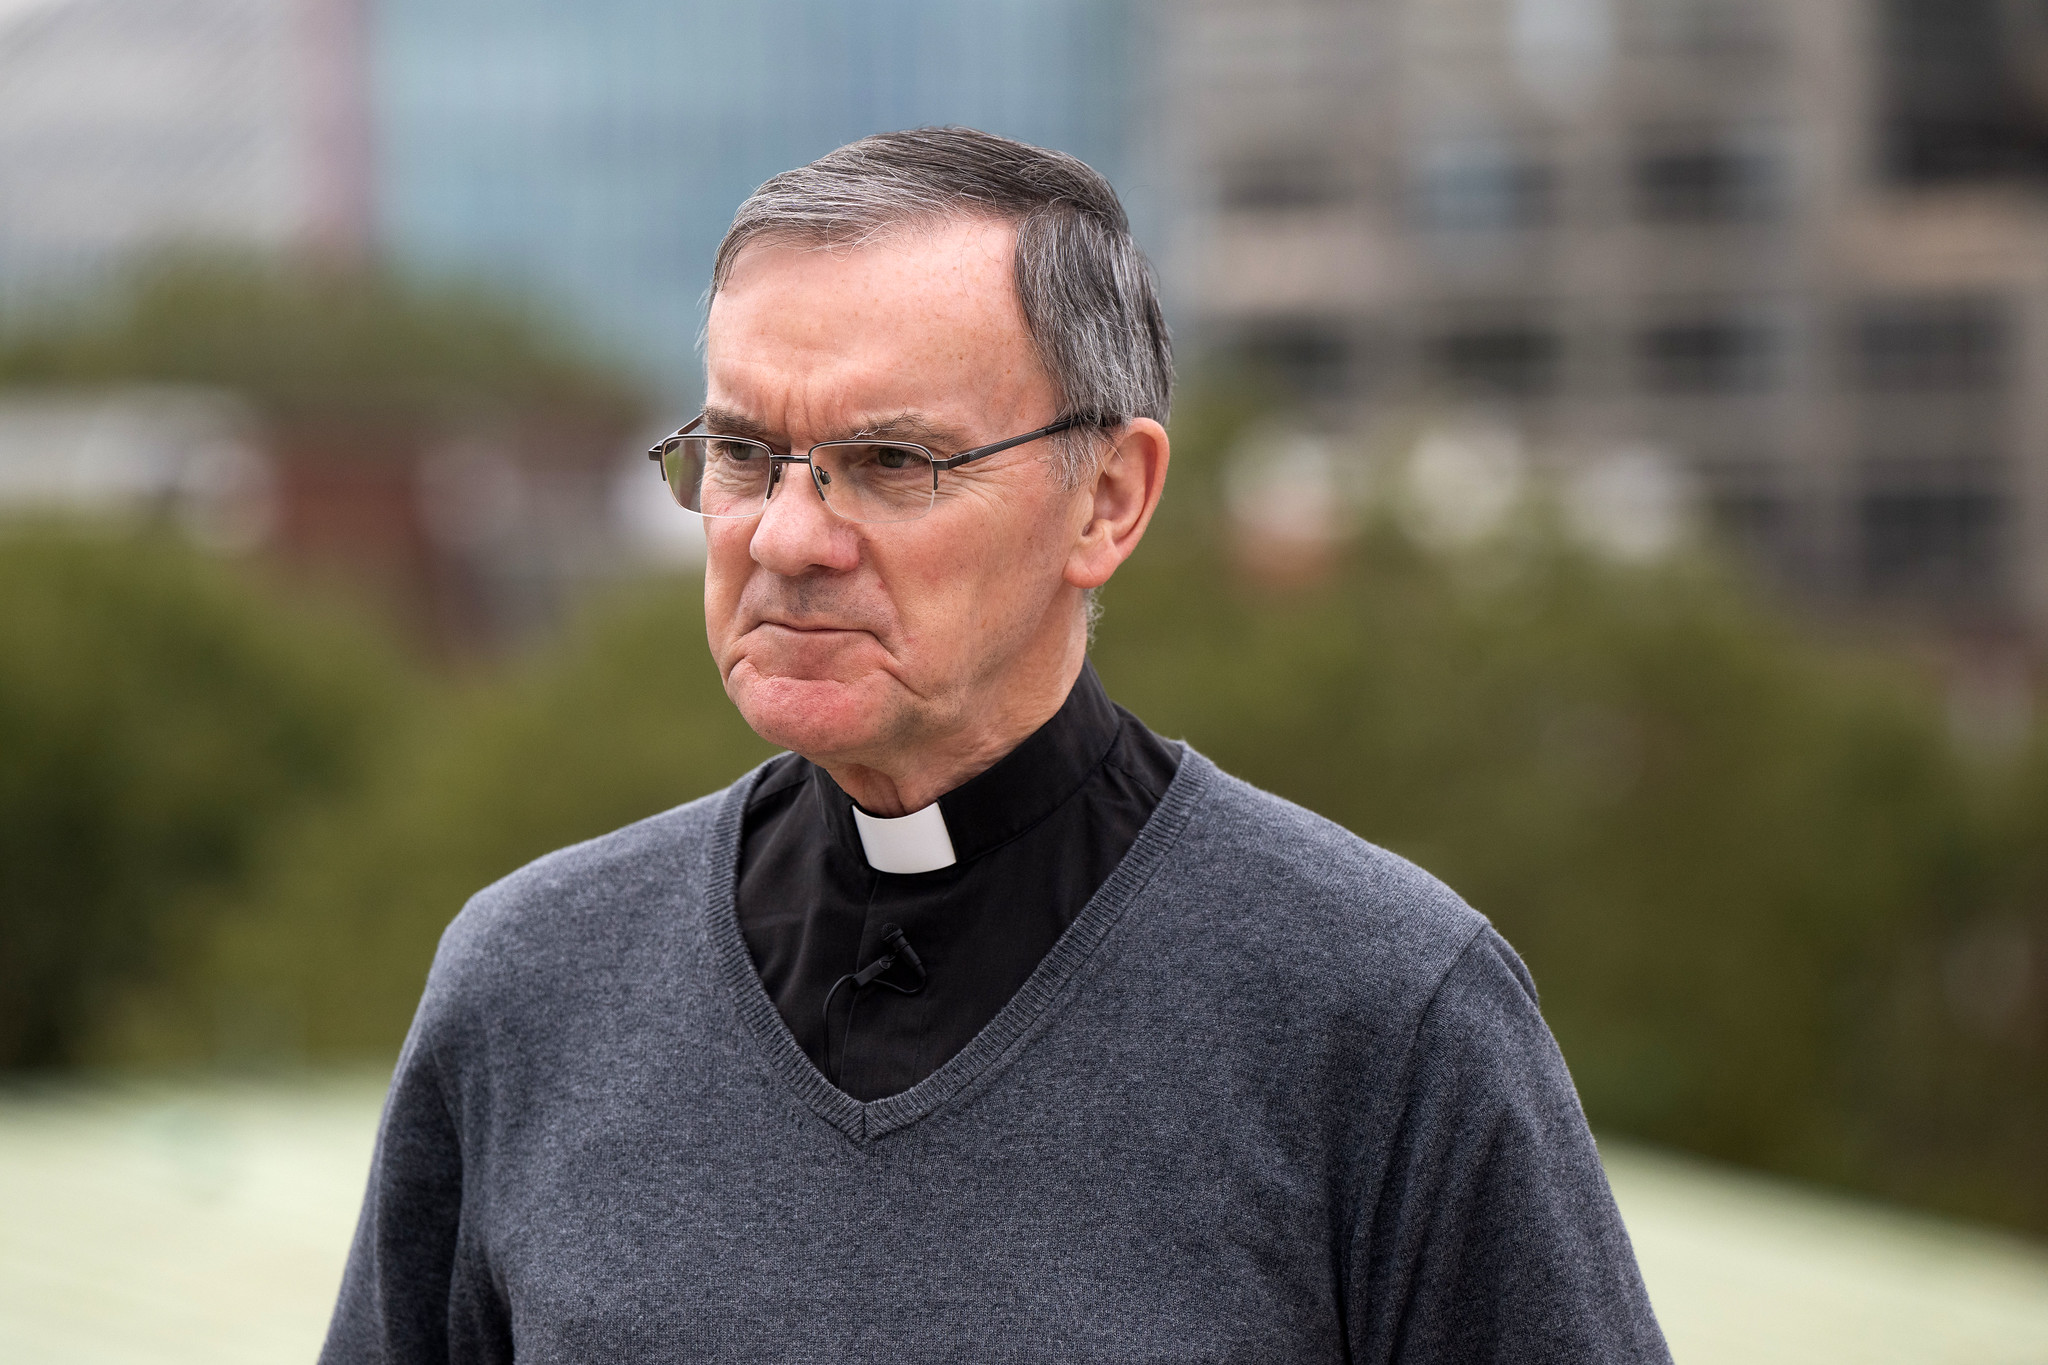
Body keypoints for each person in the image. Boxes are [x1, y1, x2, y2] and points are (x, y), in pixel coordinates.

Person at [323, 127, 1670, 1363]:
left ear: (1109, 498)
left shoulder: (1385, 1010)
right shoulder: (529, 985)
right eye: (742, 452)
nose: (787, 537)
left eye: (893, 461)